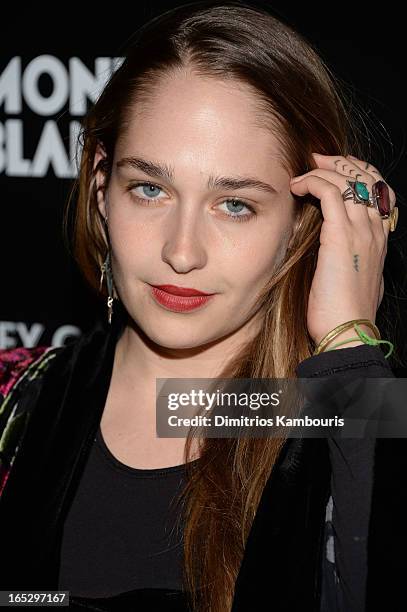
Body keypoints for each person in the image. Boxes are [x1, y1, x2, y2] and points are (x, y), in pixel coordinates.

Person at [0, 2, 404, 611]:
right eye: (150, 189)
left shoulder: (334, 423)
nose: (181, 252)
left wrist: (349, 344)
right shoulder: (15, 404)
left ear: (302, 223)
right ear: (102, 191)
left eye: (235, 203)